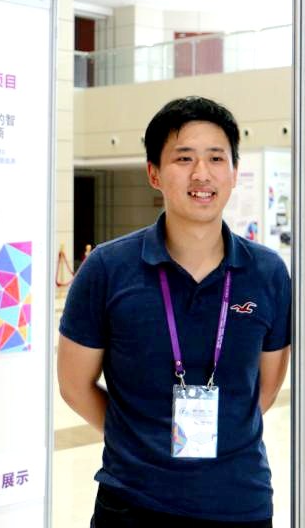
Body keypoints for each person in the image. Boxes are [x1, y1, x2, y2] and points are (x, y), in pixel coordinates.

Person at [58, 96, 291, 527]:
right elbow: (74, 385)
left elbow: (267, 388)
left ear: (234, 172)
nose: (201, 174)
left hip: (239, 503)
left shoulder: (267, 273)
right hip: (132, 503)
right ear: (154, 173)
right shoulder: (107, 268)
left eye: (216, 158)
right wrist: (136, 439)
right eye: (184, 158)